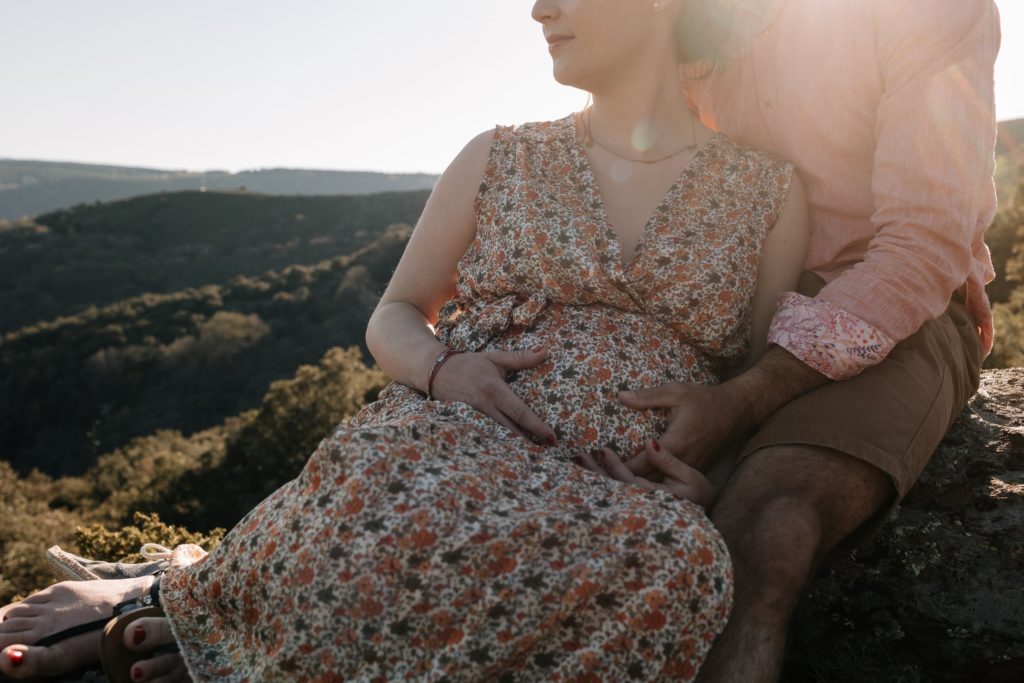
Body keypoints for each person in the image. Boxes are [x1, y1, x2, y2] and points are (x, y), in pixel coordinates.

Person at [0, 0, 808, 681]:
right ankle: (202, 607)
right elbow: (393, 313)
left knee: (686, 566)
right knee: (399, 526)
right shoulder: (502, 156)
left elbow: (747, 382)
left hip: (616, 489)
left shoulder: (767, 190)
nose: (537, 8)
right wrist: (445, 369)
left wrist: (711, 482)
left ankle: (234, 627)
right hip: (461, 443)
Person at [584, 1, 1001, 681]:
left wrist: (742, 401)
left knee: (767, 530)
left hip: (895, 311)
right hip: (716, 301)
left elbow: (920, 249)